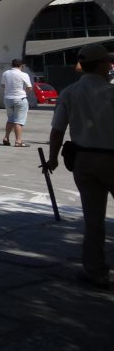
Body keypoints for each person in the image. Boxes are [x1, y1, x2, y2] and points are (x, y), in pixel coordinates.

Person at [46, 43, 114, 290]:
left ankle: (95, 271)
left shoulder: (69, 92)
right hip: (111, 157)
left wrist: (53, 159)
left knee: (93, 220)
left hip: (84, 160)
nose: (110, 65)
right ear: (100, 64)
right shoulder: (111, 92)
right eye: (108, 61)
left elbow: (57, 131)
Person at [1, 58, 32, 147]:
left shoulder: (5, 73)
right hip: (20, 98)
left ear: (12, 65)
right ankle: (18, 141)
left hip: (7, 98)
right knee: (19, 121)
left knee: (10, 119)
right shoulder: (23, 74)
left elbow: (3, 85)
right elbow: (29, 87)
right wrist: (23, 90)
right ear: (21, 65)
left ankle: (6, 138)